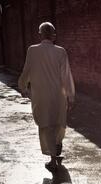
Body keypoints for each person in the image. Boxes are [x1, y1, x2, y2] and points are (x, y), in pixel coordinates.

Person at [18, 22, 75, 172]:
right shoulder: (61, 51)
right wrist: (70, 96)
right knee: (58, 123)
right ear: (54, 35)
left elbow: (27, 71)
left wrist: (23, 86)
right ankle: (56, 147)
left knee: (46, 126)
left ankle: (53, 158)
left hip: (41, 95)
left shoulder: (32, 50)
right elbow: (66, 75)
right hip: (58, 95)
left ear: (40, 34)